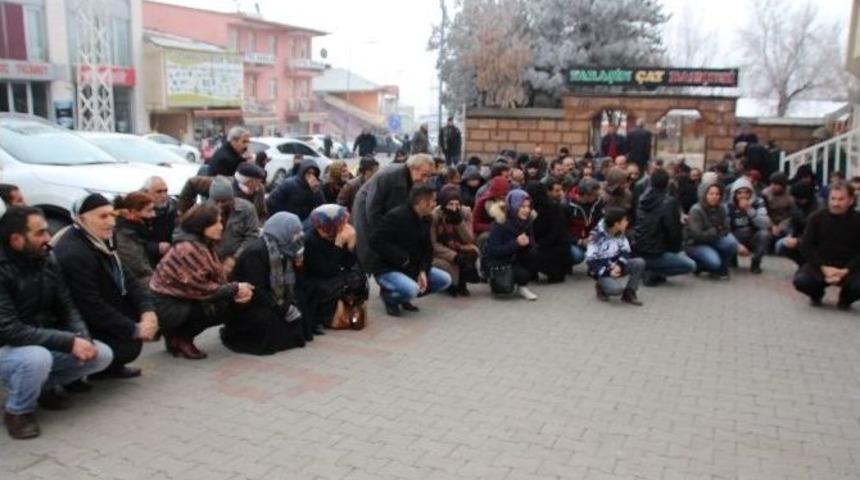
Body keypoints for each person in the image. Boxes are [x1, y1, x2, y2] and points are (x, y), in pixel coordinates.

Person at [0, 206, 113, 439]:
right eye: (40, 233)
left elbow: (67, 306)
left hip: (38, 337)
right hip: (8, 346)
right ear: (16, 240)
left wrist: (83, 338)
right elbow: (10, 330)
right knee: (35, 359)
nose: (48, 238)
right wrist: (68, 341)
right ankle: (18, 411)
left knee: (101, 355)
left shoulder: (45, 258)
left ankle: (40, 387)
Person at [51, 194, 158, 379]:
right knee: (127, 346)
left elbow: (128, 278)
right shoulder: (74, 253)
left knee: (145, 316)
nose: (111, 222)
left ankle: (109, 367)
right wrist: (134, 328)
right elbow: (89, 306)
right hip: (74, 324)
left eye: (112, 215)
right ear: (81, 219)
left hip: (99, 309)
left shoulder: (100, 239)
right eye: (103, 216)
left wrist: (148, 311)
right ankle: (85, 373)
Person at [150, 203, 254, 359]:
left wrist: (235, 289)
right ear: (201, 224)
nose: (221, 226)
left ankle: (174, 337)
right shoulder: (189, 248)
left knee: (228, 299)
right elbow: (202, 290)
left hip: (176, 300)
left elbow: (212, 281)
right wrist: (236, 288)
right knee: (222, 307)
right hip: (166, 306)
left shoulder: (202, 243)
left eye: (221, 221)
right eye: (216, 222)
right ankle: (183, 339)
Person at [222, 212, 309, 354]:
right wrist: (283, 307)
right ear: (281, 232)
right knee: (269, 320)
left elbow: (290, 282)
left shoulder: (286, 248)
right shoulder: (256, 252)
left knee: (300, 304)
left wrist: (286, 303)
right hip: (247, 302)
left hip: (270, 297)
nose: (298, 236)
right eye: (294, 233)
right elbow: (256, 289)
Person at [369, 186, 452, 316]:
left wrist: (423, 270)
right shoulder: (396, 216)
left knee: (444, 279)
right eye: (433, 201)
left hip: (413, 267)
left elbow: (427, 249)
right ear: (423, 202)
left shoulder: (426, 219)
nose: (435, 204)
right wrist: (403, 259)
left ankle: (404, 297)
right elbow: (375, 241)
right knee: (412, 289)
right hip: (388, 268)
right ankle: (390, 298)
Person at [353, 154, 435, 275]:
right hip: (366, 207)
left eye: (428, 176)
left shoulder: (411, 177)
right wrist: (383, 233)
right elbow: (373, 209)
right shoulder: (388, 175)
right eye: (423, 175)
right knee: (371, 248)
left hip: (388, 211)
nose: (425, 180)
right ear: (412, 168)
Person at [793, 182, 860, 309]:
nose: (836, 203)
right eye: (833, 199)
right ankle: (816, 294)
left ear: (850, 200)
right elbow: (806, 246)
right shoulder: (816, 218)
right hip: (820, 265)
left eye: (841, 199)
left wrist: (846, 270)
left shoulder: (858, 220)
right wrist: (824, 268)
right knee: (802, 281)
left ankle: (846, 299)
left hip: (849, 267)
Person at [303, 205, 366, 331]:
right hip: (316, 281)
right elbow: (327, 271)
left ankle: (351, 307)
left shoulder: (337, 235)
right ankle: (332, 315)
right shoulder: (310, 240)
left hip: (333, 275)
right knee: (339, 285)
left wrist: (350, 246)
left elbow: (349, 263)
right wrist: (338, 245)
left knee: (358, 277)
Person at [633, 169, 696, 286]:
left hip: (639, 248)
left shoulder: (642, 199)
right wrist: (676, 249)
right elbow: (673, 231)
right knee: (691, 265)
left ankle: (649, 268)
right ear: (667, 183)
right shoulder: (669, 202)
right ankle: (654, 272)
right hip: (657, 252)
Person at [482, 189, 539, 301]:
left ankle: (522, 286)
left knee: (533, 254)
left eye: (528, 206)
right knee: (504, 290)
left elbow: (531, 244)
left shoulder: (527, 222)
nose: (527, 210)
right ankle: (493, 279)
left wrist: (527, 244)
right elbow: (494, 251)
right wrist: (516, 243)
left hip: (514, 259)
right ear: (513, 206)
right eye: (522, 207)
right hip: (498, 262)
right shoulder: (500, 223)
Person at [586, 208, 645, 305]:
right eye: (625, 220)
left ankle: (629, 293)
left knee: (639, 262)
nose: (627, 222)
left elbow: (626, 251)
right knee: (616, 290)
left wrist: (619, 265)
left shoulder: (620, 233)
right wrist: (608, 271)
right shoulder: (595, 237)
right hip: (602, 271)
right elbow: (591, 261)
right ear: (616, 224)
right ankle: (600, 286)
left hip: (616, 266)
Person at [431, 185, 479, 297]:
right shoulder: (435, 216)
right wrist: (453, 255)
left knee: (472, 252)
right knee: (449, 265)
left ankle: (462, 282)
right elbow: (433, 243)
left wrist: (459, 223)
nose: (454, 208)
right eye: (450, 204)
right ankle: (450, 284)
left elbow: (469, 239)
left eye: (457, 204)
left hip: (459, 246)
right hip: (440, 251)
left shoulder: (465, 212)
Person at [685, 181, 738, 278]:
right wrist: (715, 230)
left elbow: (726, 228)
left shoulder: (721, 208)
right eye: (711, 194)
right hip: (696, 244)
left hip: (713, 238)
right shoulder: (696, 210)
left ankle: (721, 269)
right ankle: (698, 265)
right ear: (704, 194)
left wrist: (715, 231)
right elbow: (697, 234)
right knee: (714, 262)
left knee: (732, 243)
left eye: (717, 194)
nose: (714, 197)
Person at [206, 177, 259, 268]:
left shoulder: (247, 209)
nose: (220, 205)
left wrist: (234, 258)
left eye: (223, 201)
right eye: (216, 201)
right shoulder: (205, 210)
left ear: (232, 199)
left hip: (239, 259)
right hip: (211, 260)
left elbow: (252, 235)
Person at [527, 180, 572, 283]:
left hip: (549, 247)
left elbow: (555, 232)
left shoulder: (547, 208)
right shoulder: (554, 207)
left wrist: (539, 244)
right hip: (557, 248)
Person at [727, 177, 771, 274]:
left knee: (764, 235)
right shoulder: (729, 206)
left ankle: (756, 262)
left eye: (746, 192)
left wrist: (749, 210)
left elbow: (765, 224)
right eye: (740, 193)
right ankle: (731, 259)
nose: (743, 195)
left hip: (753, 235)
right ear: (734, 194)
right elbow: (725, 229)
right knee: (726, 237)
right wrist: (737, 245)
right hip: (736, 235)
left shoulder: (758, 202)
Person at [114, 192, 158, 286]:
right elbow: (138, 267)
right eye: (149, 211)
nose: (153, 215)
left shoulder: (138, 229)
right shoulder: (123, 235)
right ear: (133, 212)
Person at [776, 179, 819, 265]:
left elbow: (815, 230)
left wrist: (799, 241)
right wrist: (790, 235)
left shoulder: (818, 208)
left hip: (814, 239)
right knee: (781, 246)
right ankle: (802, 264)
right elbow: (793, 224)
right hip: (799, 236)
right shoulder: (797, 207)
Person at [567, 178, 604, 269]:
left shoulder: (597, 203)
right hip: (572, 240)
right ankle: (565, 263)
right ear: (587, 195)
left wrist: (593, 236)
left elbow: (600, 222)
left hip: (589, 237)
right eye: (595, 195)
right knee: (577, 256)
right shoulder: (567, 205)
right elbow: (562, 231)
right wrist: (579, 241)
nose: (597, 197)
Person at [141, 176, 176, 252]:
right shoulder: (138, 211)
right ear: (146, 193)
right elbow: (132, 242)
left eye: (165, 191)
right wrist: (155, 247)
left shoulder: (172, 209)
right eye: (158, 192)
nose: (163, 195)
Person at [473, 176, 511, 241]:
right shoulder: (482, 203)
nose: (503, 198)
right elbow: (475, 225)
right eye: (500, 196)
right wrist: (492, 227)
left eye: (505, 195)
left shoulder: (510, 201)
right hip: (488, 232)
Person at [761, 172, 795, 243]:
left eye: (776, 184)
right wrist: (772, 225)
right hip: (769, 222)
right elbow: (764, 213)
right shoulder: (765, 194)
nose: (773, 186)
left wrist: (782, 226)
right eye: (771, 184)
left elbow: (793, 213)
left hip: (786, 222)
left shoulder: (791, 194)